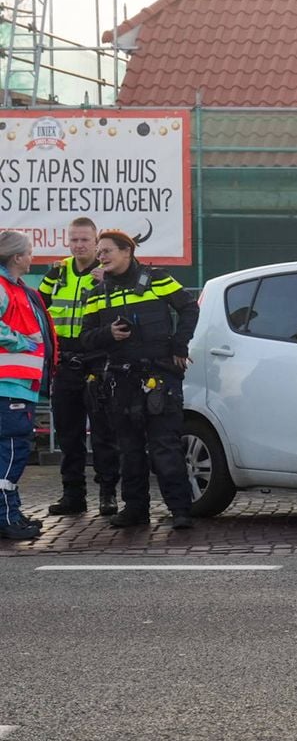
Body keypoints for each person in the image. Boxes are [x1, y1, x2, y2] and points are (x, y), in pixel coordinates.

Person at [79, 230, 199, 529]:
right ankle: (135, 509)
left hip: (158, 376)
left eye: (106, 251)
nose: (101, 256)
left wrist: (178, 345)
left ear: (126, 252)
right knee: (129, 449)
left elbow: (188, 308)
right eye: (99, 251)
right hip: (120, 379)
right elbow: (85, 338)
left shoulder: (157, 279)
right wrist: (108, 334)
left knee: (165, 446)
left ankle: (181, 511)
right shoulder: (96, 294)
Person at [39, 217, 121, 517]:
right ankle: (73, 495)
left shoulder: (107, 273)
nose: (79, 245)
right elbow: (39, 307)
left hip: (97, 362)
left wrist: (107, 284)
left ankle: (108, 494)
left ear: (96, 241)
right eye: (74, 239)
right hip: (64, 363)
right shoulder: (58, 272)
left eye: (85, 240)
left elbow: (122, 312)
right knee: (68, 435)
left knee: (103, 433)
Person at [0, 231, 56, 540]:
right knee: (12, 449)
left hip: (18, 384)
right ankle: (6, 518)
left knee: (10, 450)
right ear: (17, 257)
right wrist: (22, 341)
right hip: (8, 385)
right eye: (30, 252)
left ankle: (10, 513)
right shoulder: (4, 288)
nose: (32, 257)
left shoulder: (17, 288)